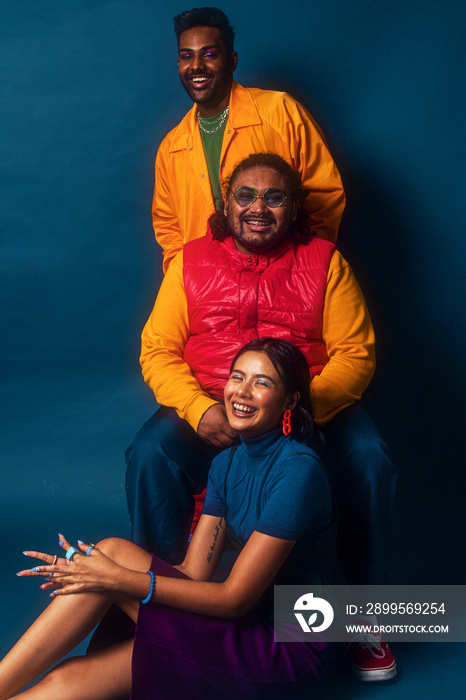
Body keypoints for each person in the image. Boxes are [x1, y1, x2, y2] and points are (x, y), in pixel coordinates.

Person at [127, 153, 397, 627]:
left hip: (306, 404)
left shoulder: (326, 262)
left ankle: (361, 620)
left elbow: (356, 354)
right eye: (245, 196)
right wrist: (196, 407)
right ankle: (170, 604)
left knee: (369, 459)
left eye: (274, 198)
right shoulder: (189, 262)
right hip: (214, 401)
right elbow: (157, 350)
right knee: (151, 453)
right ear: (225, 204)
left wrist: (295, 410)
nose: (258, 208)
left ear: (294, 207)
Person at [1, 339, 342, 699]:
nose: (242, 392)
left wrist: (114, 579)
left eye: (262, 382)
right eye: (237, 377)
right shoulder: (226, 465)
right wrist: (103, 578)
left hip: (290, 643)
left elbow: (234, 598)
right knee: (66, 680)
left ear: (290, 401)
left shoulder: (297, 470)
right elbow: (194, 574)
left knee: (111, 558)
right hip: (240, 624)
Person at [154, 7, 345, 272]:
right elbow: (169, 229)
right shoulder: (170, 148)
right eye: (187, 56)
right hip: (209, 294)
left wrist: (302, 270)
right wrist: (186, 281)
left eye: (210, 54)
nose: (196, 66)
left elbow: (325, 195)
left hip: (285, 282)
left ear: (231, 61)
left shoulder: (280, 111)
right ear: (179, 64)